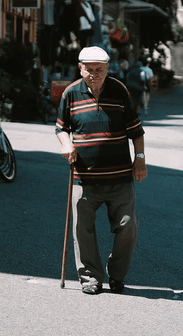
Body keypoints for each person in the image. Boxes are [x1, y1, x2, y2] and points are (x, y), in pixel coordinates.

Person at [55, 46, 147, 295]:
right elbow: (61, 128)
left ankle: (117, 275)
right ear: (80, 68)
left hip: (120, 177)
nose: (94, 74)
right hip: (84, 178)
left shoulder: (119, 91)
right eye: (89, 70)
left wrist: (139, 159)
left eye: (100, 70)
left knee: (128, 226)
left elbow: (136, 131)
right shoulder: (70, 93)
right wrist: (67, 145)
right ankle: (90, 277)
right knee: (81, 228)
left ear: (108, 69)